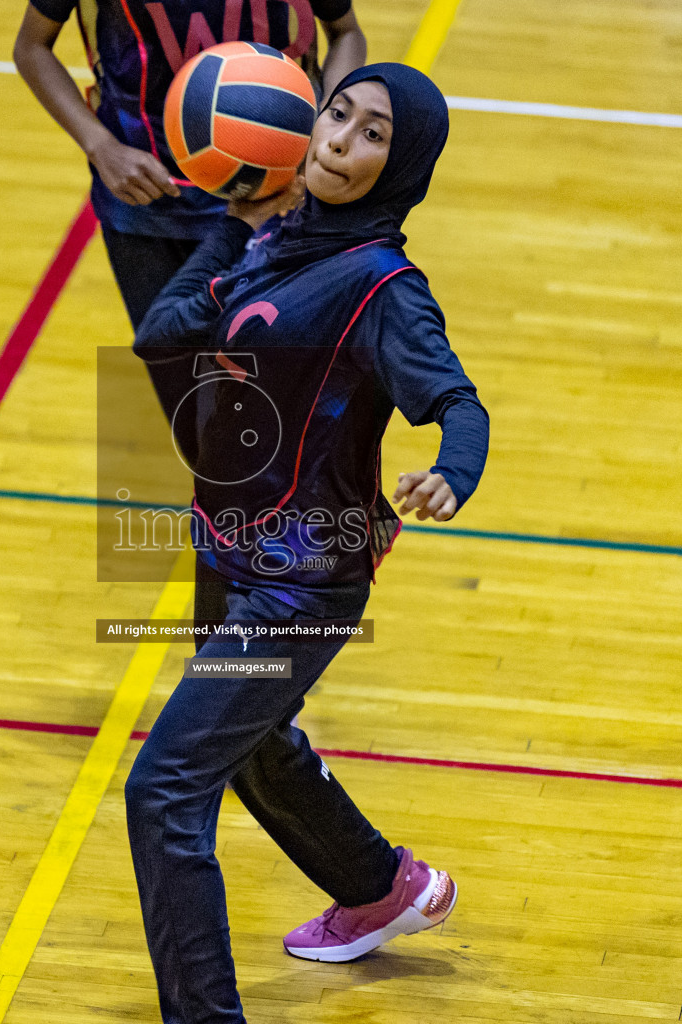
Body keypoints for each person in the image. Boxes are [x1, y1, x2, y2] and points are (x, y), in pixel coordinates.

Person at [127, 63, 488, 1024]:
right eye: (338, 115)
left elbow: (457, 401)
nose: (339, 140)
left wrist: (451, 471)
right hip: (224, 549)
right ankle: (381, 887)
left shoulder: (383, 290)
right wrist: (231, 226)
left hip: (297, 587)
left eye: (372, 134)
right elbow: (160, 334)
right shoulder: (275, 235)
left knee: (164, 791)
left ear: (400, 164)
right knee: (254, 750)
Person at [13, 0, 368, 328]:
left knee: (284, 380)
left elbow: (346, 32)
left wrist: (325, 130)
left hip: (284, 196)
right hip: (149, 205)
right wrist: (101, 146)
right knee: (181, 379)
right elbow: (32, 47)